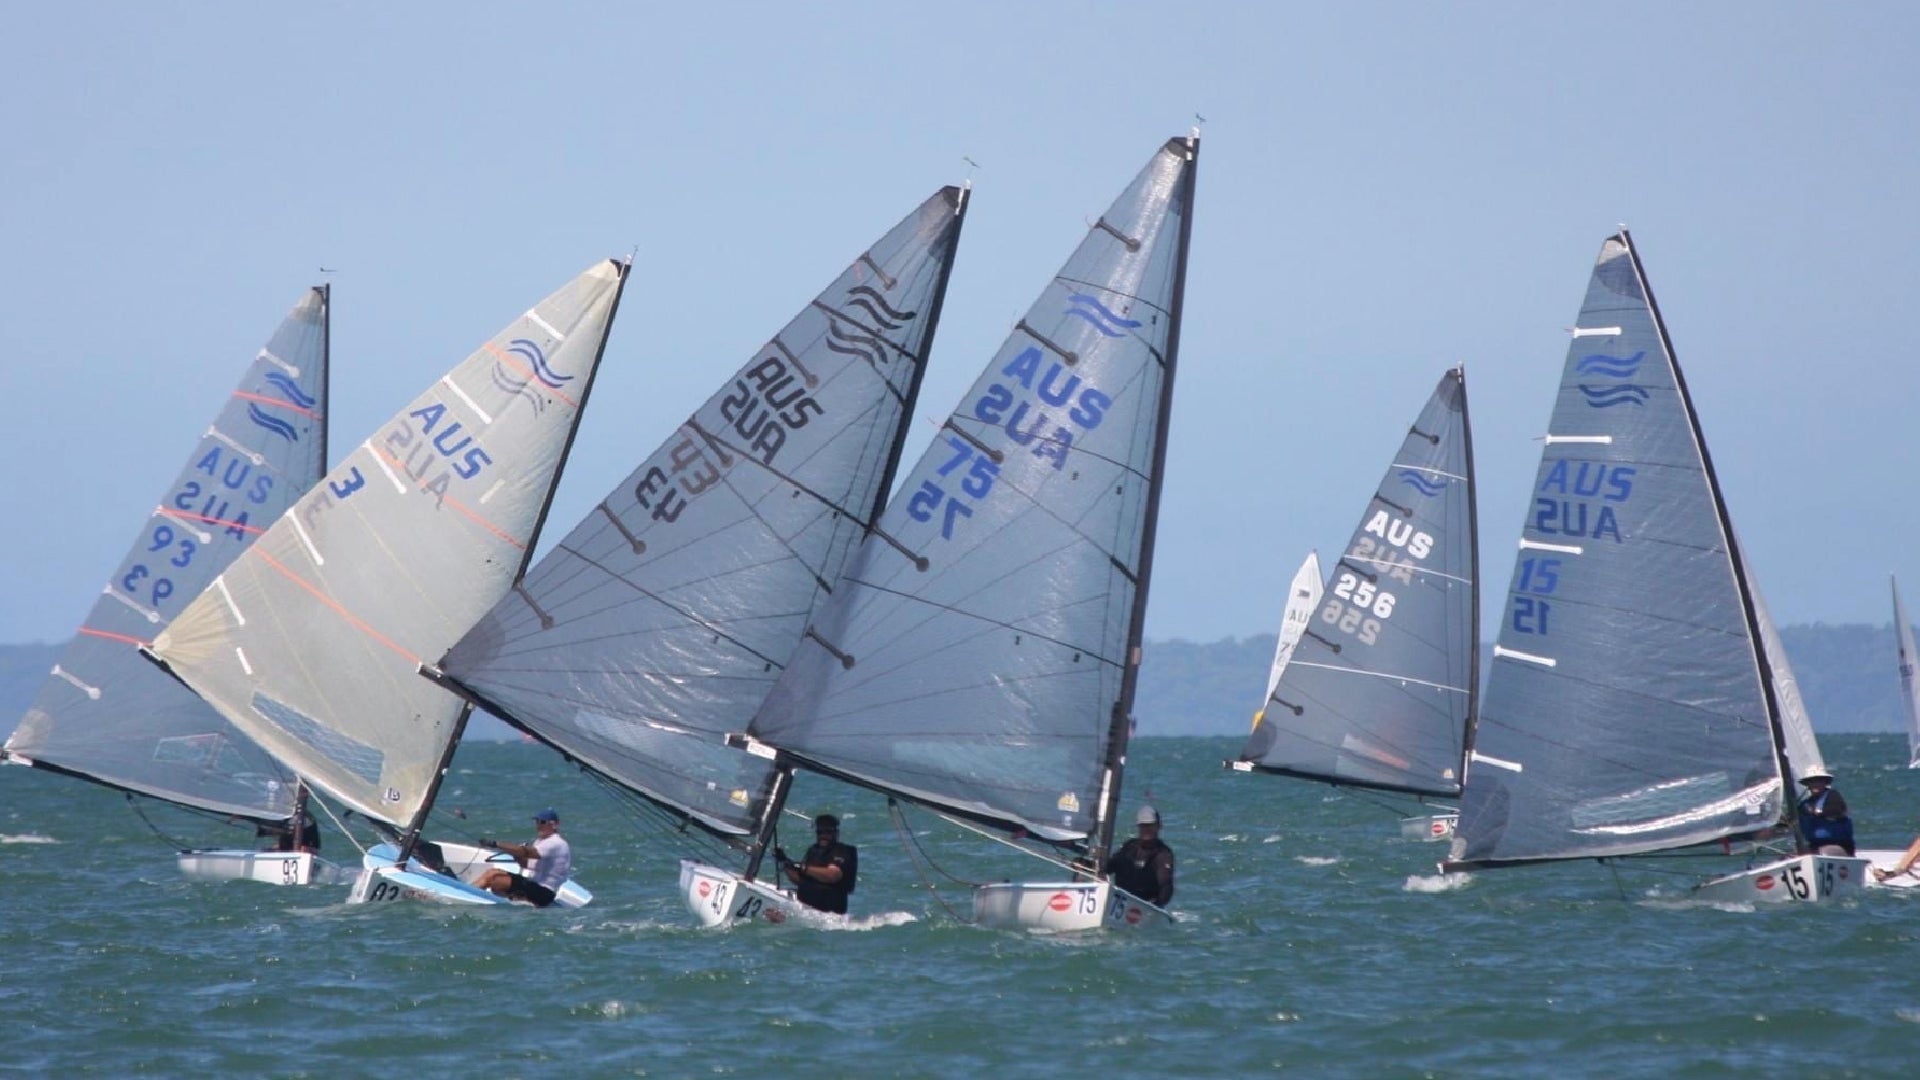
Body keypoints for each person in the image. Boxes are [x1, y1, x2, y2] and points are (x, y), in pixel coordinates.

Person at [476, 807, 571, 908]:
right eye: (537, 822)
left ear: (554, 824)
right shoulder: (541, 842)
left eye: (542, 822)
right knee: (493, 872)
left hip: (544, 892)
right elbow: (526, 863)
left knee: (494, 880)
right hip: (534, 885)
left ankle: (470, 895)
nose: (538, 826)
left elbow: (525, 852)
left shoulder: (555, 843)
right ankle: (474, 892)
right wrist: (515, 853)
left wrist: (496, 844)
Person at [776, 813, 857, 914]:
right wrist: (785, 863)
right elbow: (800, 880)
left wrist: (803, 868)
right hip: (806, 909)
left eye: (828, 832)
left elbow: (833, 875)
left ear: (836, 833)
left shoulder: (842, 851)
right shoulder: (814, 851)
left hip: (828, 915)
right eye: (820, 832)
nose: (823, 836)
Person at [1106, 805, 1175, 907]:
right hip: (1120, 901)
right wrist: (1087, 865)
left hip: (1145, 907)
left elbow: (1166, 886)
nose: (1146, 829)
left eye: (1150, 825)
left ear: (1158, 826)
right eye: (1143, 825)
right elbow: (1109, 867)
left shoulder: (1163, 854)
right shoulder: (1129, 847)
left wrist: (1156, 906)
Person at [1795, 768, 1855, 856]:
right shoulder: (1805, 804)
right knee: (1790, 857)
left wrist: (1816, 813)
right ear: (1808, 785)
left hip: (1838, 845)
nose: (1815, 784)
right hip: (1815, 845)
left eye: (1819, 781)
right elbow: (1793, 818)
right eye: (1812, 781)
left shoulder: (1833, 796)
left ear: (1825, 783)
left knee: (1820, 853)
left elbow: (1835, 811)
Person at [256, 805, 321, 854]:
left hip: (305, 851)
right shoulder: (282, 816)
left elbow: (314, 847)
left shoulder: (305, 818)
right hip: (289, 849)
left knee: (305, 849)